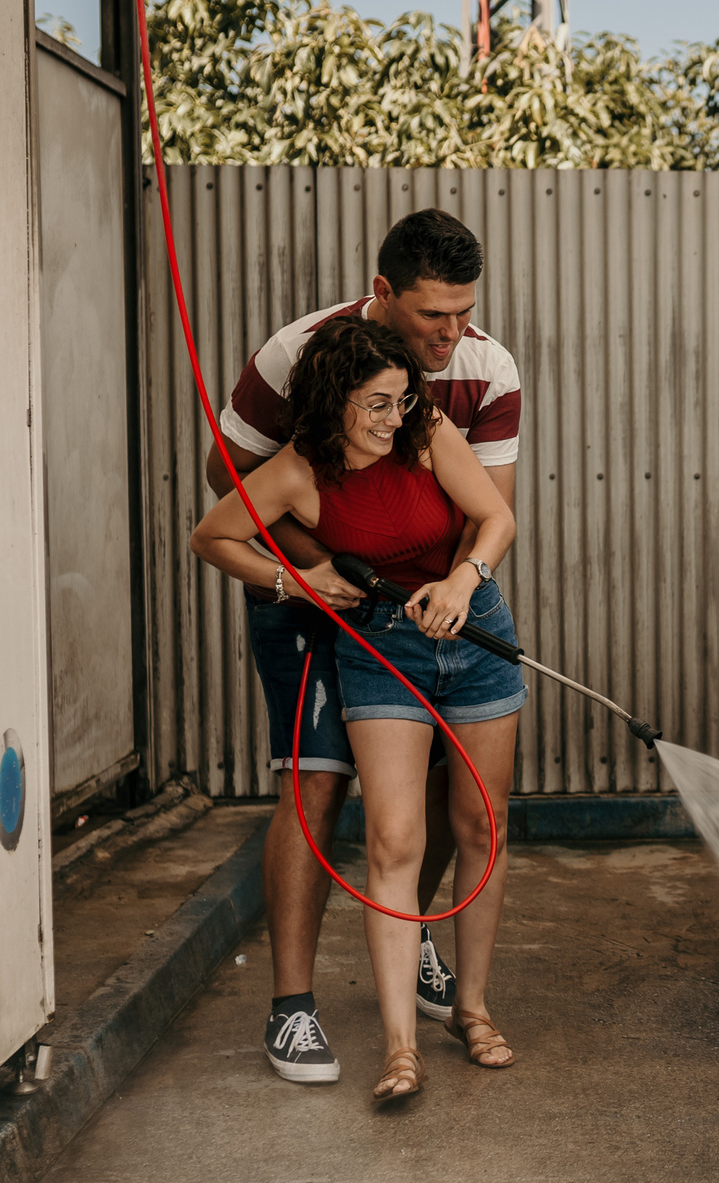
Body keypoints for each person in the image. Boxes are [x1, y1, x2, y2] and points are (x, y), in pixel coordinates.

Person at [203, 209, 523, 1085]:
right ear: (383, 295)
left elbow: (485, 514)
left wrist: (452, 591)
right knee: (317, 781)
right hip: (308, 585)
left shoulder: (482, 371)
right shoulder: (291, 356)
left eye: (464, 312)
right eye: (432, 317)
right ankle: (293, 1008)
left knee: (444, 803)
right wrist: (310, 573)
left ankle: (413, 937)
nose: (452, 335)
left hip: (428, 601)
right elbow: (224, 482)